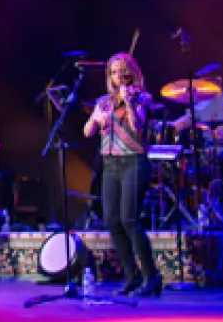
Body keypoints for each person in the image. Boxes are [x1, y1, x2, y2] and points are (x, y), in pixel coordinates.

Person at [84, 53, 162, 297]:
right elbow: (87, 132)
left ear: (131, 73)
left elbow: (137, 127)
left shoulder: (141, 98)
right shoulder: (104, 102)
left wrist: (128, 103)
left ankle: (151, 276)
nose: (118, 76)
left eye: (122, 71)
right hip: (110, 164)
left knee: (130, 219)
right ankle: (132, 276)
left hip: (133, 162)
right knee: (112, 220)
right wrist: (95, 118)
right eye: (114, 72)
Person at [169, 65, 223, 225]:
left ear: (217, 81)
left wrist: (220, 135)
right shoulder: (199, 107)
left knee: (222, 160)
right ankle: (199, 211)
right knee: (183, 165)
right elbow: (177, 125)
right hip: (207, 154)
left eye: (204, 82)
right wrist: (162, 126)